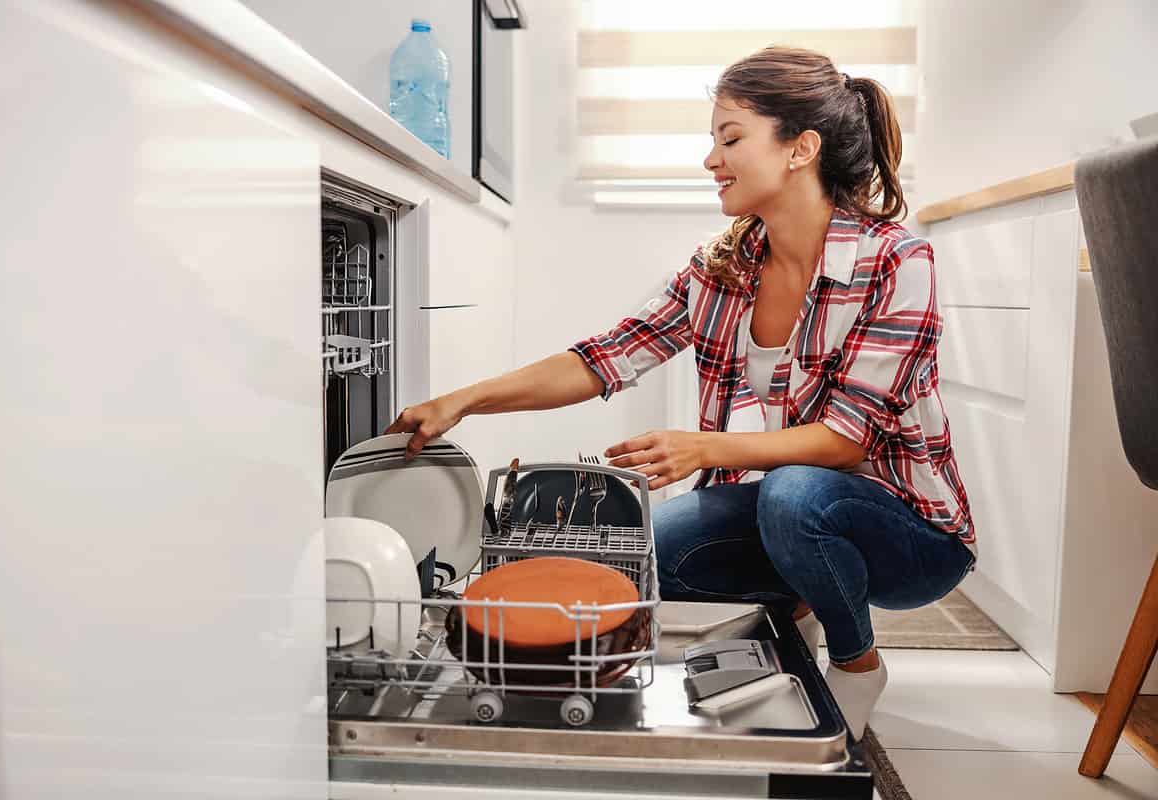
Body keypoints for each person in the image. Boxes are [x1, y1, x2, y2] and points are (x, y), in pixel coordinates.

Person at [386, 46, 977, 740]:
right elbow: (604, 358)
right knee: (657, 550)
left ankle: (857, 662)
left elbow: (846, 442)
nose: (711, 160)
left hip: (913, 534)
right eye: (712, 141)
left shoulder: (896, 260)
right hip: (803, 507)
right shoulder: (724, 268)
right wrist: (464, 399)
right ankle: (799, 612)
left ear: (800, 149)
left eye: (730, 139)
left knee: (793, 493)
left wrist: (702, 448)